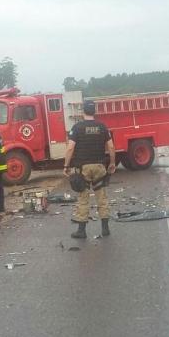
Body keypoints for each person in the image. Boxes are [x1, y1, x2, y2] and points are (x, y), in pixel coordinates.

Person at [63, 100, 116, 239]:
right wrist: (112, 162)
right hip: (99, 166)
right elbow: (110, 147)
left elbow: (70, 148)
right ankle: (105, 229)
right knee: (102, 198)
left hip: (83, 169)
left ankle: (81, 230)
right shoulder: (102, 127)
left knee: (83, 198)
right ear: (95, 111)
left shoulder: (77, 127)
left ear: (83, 112)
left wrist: (66, 166)